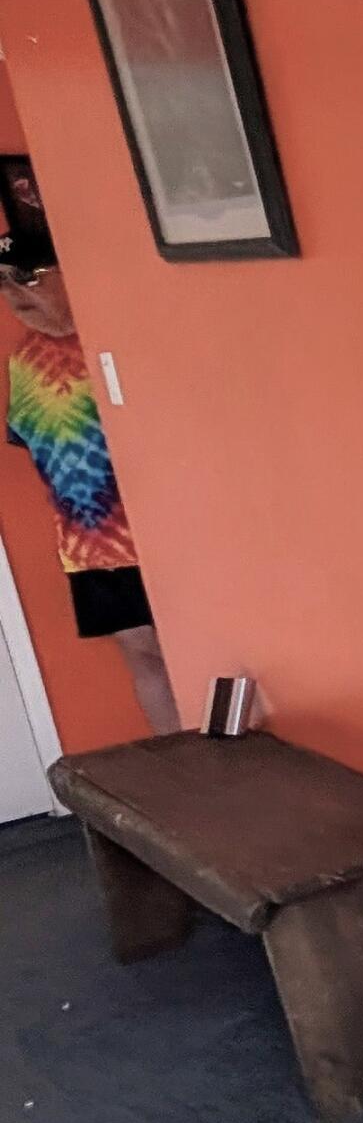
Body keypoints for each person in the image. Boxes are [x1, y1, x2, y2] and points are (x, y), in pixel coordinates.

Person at [0, 153, 179, 735]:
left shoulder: (111, 345)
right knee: (150, 660)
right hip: (96, 544)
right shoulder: (32, 361)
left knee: (185, 653)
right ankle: (188, 770)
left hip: (148, 535)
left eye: (29, 277)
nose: (17, 294)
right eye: (6, 283)